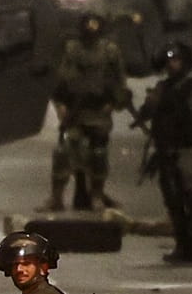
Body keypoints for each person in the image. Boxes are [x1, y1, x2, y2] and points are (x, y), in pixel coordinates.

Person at [138, 41, 192, 265]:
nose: (172, 65)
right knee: (173, 202)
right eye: (169, 60)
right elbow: (146, 114)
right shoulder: (163, 88)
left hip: (189, 151)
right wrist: (150, 104)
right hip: (166, 151)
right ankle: (182, 247)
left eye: (176, 60)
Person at [46, 12, 132, 213]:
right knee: (63, 153)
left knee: (98, 154)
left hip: (98, 111)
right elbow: (59, 81)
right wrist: (60, 104)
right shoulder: (71, 50)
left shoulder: (110, 51)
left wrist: (113, 102)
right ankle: (56, 198)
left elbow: (120, 81)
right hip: (75, 110)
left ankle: (97, 195)